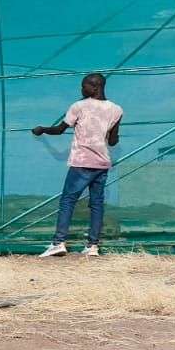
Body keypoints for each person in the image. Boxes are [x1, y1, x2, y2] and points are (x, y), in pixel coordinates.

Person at [32, 72, 122, 257]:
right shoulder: (116, 110)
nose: (81, 89)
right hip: (102, 164)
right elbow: (112, 142)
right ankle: (92, 246)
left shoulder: (79, 106)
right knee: (96, 204)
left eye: (84, 86)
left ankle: (58, 243)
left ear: (95, 87)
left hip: (82, 162)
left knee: (67, 201)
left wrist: (42, 129)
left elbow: (59, 130)